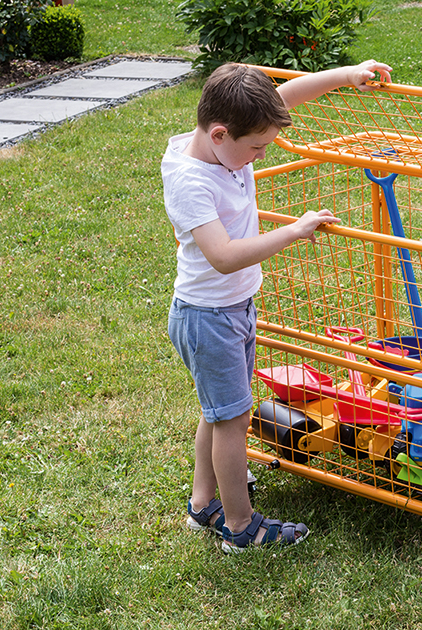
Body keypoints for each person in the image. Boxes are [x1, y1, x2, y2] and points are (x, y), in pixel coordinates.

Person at [162, 59, 392, 553]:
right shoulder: (191, 180)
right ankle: (241, 529)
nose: (259, 156)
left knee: (222, 411)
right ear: (219, 134)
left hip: (232, 309)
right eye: (256, 149)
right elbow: (223, 257)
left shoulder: (225, 141)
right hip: (209, 317)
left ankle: (204, 505)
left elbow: (285, 98)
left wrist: (346, 74)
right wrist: (291, 231)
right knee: (232, 419)